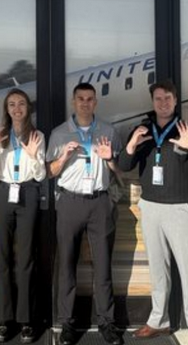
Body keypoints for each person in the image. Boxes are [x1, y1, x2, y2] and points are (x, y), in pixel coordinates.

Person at [117, 80, 188, 345]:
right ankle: (158, 321)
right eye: (158, 99)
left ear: (175, 101)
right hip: (150, 207)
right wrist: (131, 145)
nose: (163, 103)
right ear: (153, 102)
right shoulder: (142, 131)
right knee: (157, 269)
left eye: (168, 98)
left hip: (180, 209)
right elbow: (124, 165)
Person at [47, 83, 123, 345]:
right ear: (73, 102)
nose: (85, 103)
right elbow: (49, 172)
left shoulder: (109, 131)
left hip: (99, 202)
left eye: (90, 99)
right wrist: (63, 157)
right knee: (66, 264)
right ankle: (67, 323)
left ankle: (107, 322)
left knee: (103, 265)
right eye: (80, 99)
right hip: (70, 202)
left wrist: (110, 158)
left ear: (95, 102)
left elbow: (119, 170)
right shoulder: (59, 134)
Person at [0, 89, 46, 343]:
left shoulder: (37, 135)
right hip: (2, 193)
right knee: (3, 258)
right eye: (12, 104)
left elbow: (41, 175)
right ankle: (4, 319)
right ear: (7, 109)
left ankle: (26, 319)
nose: (17, 108)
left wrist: (33, 157)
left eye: (21, 103)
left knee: (26, 258)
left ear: (28, 108)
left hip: (28, 193)